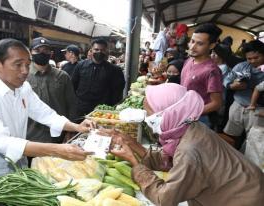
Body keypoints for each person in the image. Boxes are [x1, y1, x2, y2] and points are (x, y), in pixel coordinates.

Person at [0, 38, 94, 199]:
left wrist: (77, 127)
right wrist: (58, 150)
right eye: (18, 65)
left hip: (19, 166)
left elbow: (45, 113)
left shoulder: (23, 88)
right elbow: (1, 141)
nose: (25, 71)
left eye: (27, 64)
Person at [108, 83, 264, 206]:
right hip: (247, 188)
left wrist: (135, 164)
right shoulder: (189, 127)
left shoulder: (189, 149)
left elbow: (165, 199)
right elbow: (170, 160)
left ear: (168, 114)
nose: (147, 119)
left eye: (149, 113)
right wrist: (132, 144)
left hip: (242, 199)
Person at [27, 37, 76, 147]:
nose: (42, 53)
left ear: (51, 54)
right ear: (30, 53)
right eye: (37, 51)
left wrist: (70, 131)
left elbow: (71, 105)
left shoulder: (62, 77)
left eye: (45, 51)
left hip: (58, 136)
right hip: (31, 137)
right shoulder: (23, 76)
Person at [223, 40, 264, 149]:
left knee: (254, 141)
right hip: (238, 105)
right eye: (249, 58)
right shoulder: (241, 66)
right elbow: (226, 80)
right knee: (231, 136)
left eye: (256, 57)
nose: (252, 61)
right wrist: (232, 86)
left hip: (258, 110)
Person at [180, 23, 223, 127]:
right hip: (184, 113)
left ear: (212, 45)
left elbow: (216, 103)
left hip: (200, 120)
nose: (193, 47)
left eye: (200, 44)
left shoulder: (212, 71)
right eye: (192, 41)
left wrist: (190, 116)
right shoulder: (189, 60)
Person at [72, 38, 125, 121]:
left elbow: (117, 92)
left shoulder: (115, 70)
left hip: (102, 112)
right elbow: (73, 85)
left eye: (102, 50)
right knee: (79, 132)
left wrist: (111, 109)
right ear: (91, 50)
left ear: (106, 51)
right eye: (96, 49)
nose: (99, 52)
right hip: (81, 110)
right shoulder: (80, 66)